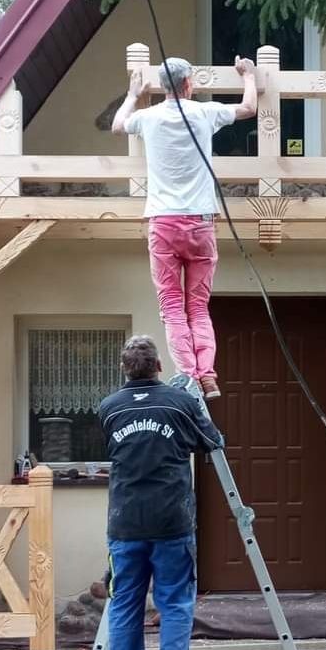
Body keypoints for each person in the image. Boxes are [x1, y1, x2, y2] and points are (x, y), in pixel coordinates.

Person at [112, 55, 258, 401]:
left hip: (163, 223)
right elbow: (248, 108)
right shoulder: (203, 113)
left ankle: (188, 374)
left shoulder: (148, 118)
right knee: (198, 305)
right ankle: (207, 376)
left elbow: (119, 126)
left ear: (163, 88)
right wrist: (248, 75)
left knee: (172, 307)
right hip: (200, 223)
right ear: (189, 85)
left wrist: (133, 94)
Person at [99, 335, 223, 650]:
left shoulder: (109, 408)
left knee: (124, 605)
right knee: (174, 604)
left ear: (124, 369)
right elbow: (212, 441)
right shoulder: (180, 403)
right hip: (172, 523)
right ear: (158, 367)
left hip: (125, 525)